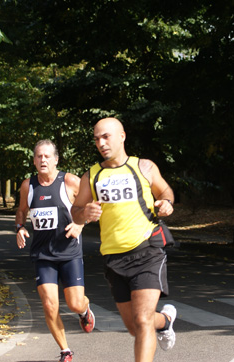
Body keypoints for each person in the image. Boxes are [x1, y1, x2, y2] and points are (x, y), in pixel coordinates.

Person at [71, 117, 177, 362]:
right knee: (135, 327)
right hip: (114, 257)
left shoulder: (144, 167)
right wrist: (84, 213)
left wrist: (166, 203)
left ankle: (157, 323)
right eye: (97, 138)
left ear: (122, 136)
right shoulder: (92, 175)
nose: (101, 143)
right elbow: (75, 210)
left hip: (147, 250)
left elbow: (165, 191)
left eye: (106, 136)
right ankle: (166, 321)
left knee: (142, 321)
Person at [16, 139, 95, 362]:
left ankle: (84, 310)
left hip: (69, 252)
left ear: (56, 159)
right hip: (43, 255)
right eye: (39, 156)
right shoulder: (28, 186)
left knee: (74, 303)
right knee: (50, 305)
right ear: (33, 160)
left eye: (47, 156)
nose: (43, 160)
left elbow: (93, 204)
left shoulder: (70, 181)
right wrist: (20, 228)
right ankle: (65, 351)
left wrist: (80, 224)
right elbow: (21, 211)